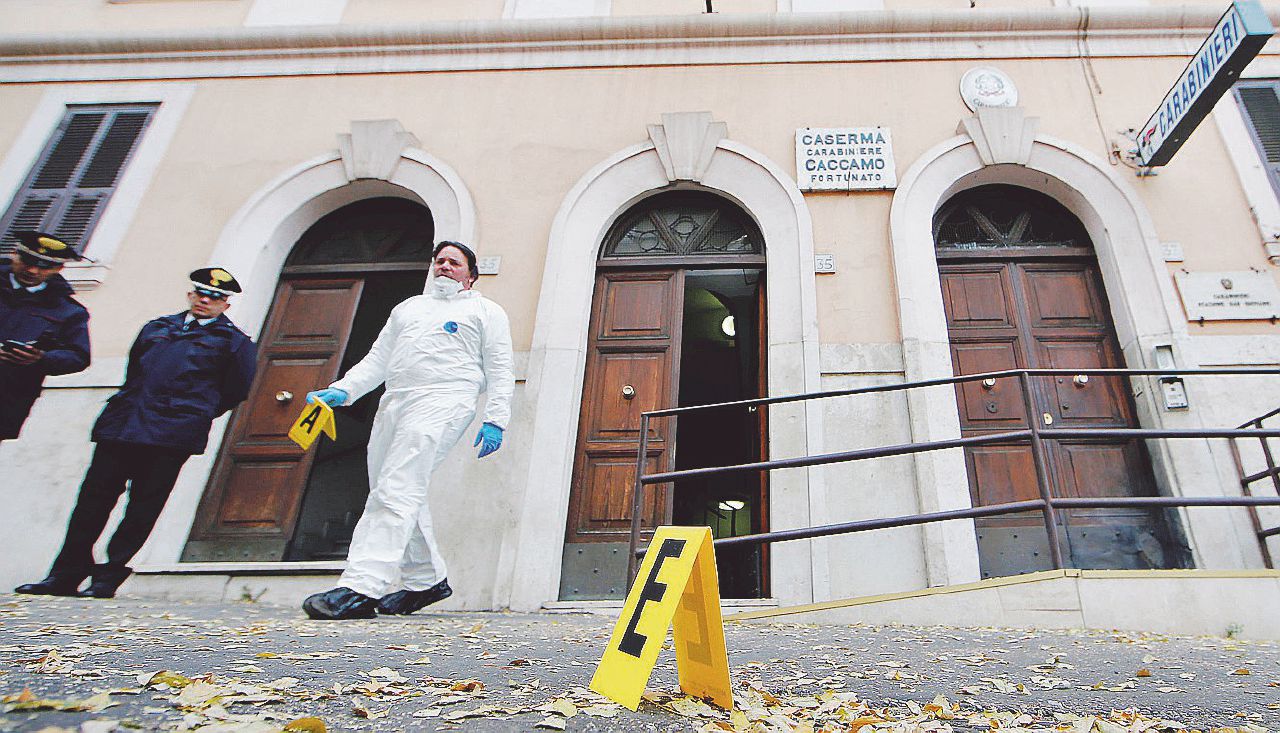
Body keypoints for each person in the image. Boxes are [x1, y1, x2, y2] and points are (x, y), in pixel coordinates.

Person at [301, 241, 514, 620]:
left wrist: (496, 419)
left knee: (397, 487)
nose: (445, 266)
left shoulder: (486, 311)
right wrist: (344, 390)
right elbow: (379, 359)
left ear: (471, 274)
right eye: (440, 261)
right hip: (396, 401)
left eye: (454, 262)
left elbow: (500, 368)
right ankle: (426, 580)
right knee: (392, 486)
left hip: (445, 400)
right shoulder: (408, 309)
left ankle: (361, 586)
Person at [15, 268, 257, 599]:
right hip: (123, 427)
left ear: (225, 305)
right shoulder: (157, 328)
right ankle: (64, 575)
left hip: (171, 436)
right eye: (200, 293)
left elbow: (234, 391)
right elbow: (135, 372)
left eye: (215, 297)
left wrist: (188, 412)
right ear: (190, 296)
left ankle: (108, 576)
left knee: (142, 508)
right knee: (90, 504)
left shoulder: (235, 343)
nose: (205, 301)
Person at [0, 231, 91, 444]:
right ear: (14, 254)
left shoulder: (69, 311)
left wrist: (41, 358)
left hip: (6, 398)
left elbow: (78, 356)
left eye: (44, 266)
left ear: (59, 268)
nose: (32, 270)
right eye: (27, 261)